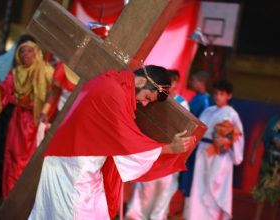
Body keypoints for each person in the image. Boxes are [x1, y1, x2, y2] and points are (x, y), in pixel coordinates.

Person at [28, 65, 197, 220]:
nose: (144, 103)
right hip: (71, 167)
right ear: (141, 80)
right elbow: (126, 143)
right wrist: (168, 148)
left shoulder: (114, 83)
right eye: (147, 97)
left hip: (84, 165)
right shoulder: (112, 91)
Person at [0, 36, 54, 199]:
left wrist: (46, 112)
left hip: (38, 123)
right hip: (18, 121)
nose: (26, 54)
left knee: (32, 163)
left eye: (29, 50)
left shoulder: (47, 72)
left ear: (37, 52)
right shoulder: (16, 73)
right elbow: (4, 89)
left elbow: (55, 94)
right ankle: (10, 200)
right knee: (12, 158)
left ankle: (25, 203)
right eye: (22, 51)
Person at [125, 69, 189, 220]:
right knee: (143, 189)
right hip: (151, 149)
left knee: (162, 194)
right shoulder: (153, 100)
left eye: (174, 83)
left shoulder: (182, 103)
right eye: (169, 84)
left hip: (168, 153)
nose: (172, 87)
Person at [188, 79, 244, 220]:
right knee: (200, 186)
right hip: (203, 151)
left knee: (216, 187)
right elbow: (198, 131)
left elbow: (238, 137)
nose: (218, 96)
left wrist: (226, 141)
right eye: (216, 93)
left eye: (221, 94)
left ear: (229, 96)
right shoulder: (208, 111)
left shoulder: (231, 114)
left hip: (220, 155)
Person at [179, 70, 212, 218]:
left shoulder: (204, 101)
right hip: (190, 143)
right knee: (186, 177)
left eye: (193, 80)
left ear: (201, 83)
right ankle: (184, 209)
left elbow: (200, 126)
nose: (190, 82)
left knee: (192, 178)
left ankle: (188, 211)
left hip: (195, 146)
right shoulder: (197, 98)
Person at [250, 105, 280, 220]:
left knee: (275, 195)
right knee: (261, 192)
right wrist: (254, 153)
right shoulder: (273, 120)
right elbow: (261, 136)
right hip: (267, 160)